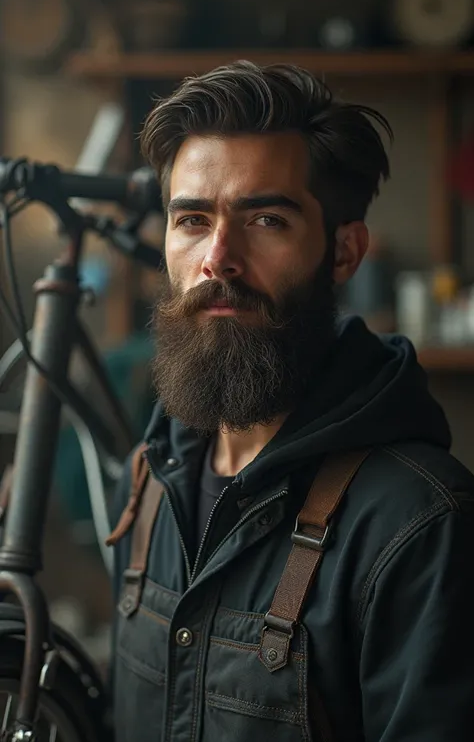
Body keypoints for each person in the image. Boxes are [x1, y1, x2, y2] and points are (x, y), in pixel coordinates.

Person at [109, 61, 474, 742]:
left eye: (267, 219)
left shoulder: (419, 525)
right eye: (192, 219)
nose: (218, 258)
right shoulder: (148, 482)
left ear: (344, 252)